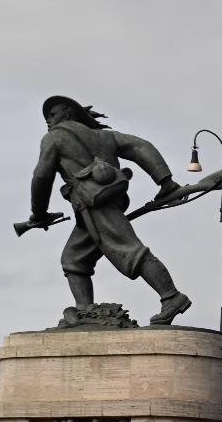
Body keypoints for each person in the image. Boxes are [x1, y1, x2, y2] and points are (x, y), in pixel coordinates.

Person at [29, 95, 192, 326]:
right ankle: (84, 311)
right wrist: (164, 181)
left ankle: (172, 297)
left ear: (67, 114)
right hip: (97, 207)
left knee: (129, 250)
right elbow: (140, 147)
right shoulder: (104, 137)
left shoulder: (54, 137)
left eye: (52, 114)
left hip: (94, 204)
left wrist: (38, 213)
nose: (48, 120)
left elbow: (41, 176)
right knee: (74, 259)